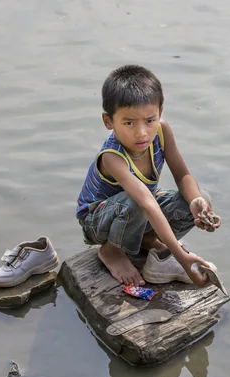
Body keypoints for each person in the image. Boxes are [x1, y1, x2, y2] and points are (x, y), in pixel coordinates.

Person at [75, 64, 221, 288]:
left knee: (198, 199)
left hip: (140, 206)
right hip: (98, 219)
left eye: (149, 120)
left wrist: (196, 202)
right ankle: (112, 251)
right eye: (129, 123)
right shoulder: (112, 157)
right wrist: (182, 258)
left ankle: (145, 239)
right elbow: (146, 203)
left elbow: (182, 175)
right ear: (108, 121)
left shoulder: (161, 131)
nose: (142, 132)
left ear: (160, 113)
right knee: (137, 202)